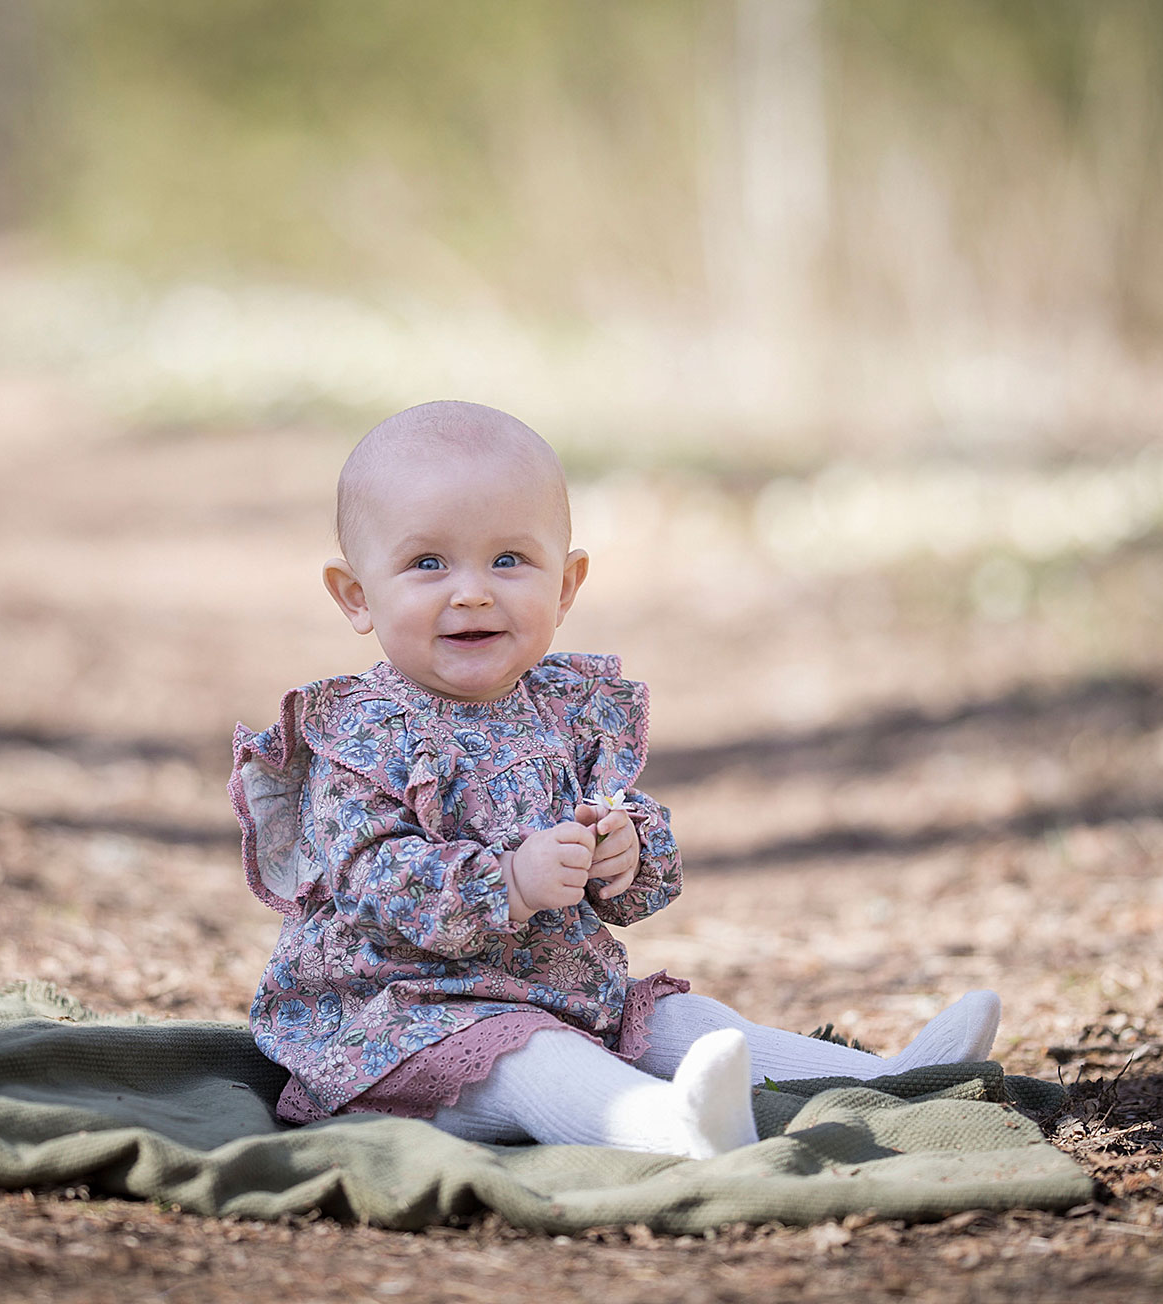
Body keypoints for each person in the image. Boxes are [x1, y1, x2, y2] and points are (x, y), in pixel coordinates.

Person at [230, 400, 1000, 1158]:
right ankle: (664, 1127)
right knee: (538, 1057)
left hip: (560, 993)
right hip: (406, 1028)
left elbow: (629, 837)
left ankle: (892, 1075)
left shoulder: (568, 707)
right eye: (427, 562)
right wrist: (510, 881)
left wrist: (624, 850)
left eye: (508, 559)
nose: (472, 590)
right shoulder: (359, 733)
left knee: (682, 1021)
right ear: (356, 594)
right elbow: (373, 884)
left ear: (565, 586)